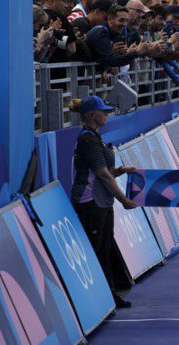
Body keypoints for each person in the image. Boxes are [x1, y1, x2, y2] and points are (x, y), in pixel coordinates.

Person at [69, 96, 139, 309]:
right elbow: (102, 175)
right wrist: (124, 199)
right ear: (91, 115)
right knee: (97, 250)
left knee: (105, 248)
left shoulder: (95, 138)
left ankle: (109, 295)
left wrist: (120, 171)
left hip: (102, 202)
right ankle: (96, 300)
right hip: (90, 203)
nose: (107, 114)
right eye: (103, 111)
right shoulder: (88, 140)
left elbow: (106, 173)